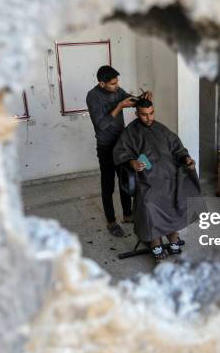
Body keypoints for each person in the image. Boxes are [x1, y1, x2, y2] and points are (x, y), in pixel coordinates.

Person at [113, 98, 201, 260]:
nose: (149, 118)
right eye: (144, 115)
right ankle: (155, 241)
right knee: (149, 202)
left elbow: (178, 149)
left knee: (176, 196)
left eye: (151, 113)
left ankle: (173, 236)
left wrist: (186, 159)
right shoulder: (130, 133)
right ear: (137, 114)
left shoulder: (162, 129)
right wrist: (132, 162)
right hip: (147, 178)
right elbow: (119, 153)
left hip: (170, 174)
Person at [86, 65, 153, 237]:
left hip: (121, 144)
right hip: (106, 146)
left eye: (117, 82)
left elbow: (130, 100)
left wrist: (141, 98)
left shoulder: (118, 90)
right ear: (102, 84)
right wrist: (119, 106)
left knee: (126, 179)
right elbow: (101, 124)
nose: (117, 86)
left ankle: (128, 215)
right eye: (113, 84)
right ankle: (111, 222)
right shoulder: (93, 96)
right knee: (108, 185)